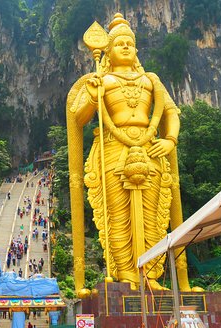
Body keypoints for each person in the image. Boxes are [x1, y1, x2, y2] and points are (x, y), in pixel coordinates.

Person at [67, 12, 195, 294]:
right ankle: (126, 273)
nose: (125, 46)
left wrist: (170, 139)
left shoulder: (151, 80)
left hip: (150, 148)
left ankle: (150, 274)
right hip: (114, 148)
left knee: (153, 215)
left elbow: (171, 112)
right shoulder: (103, 81)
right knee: (117, 214)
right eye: (119, 43)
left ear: (136, 49)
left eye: (129, 42)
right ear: (109, 51)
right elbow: (78, 118)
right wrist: (91, 93)